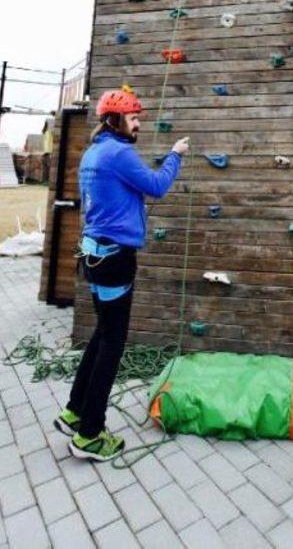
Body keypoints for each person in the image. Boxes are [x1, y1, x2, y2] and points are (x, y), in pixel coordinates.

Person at [54, 87, 189, 462]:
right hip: (114, 261)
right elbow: (158, 186)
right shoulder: (119, 153)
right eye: (134, 118)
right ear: (116, 120)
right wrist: (176, 156)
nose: (139, 124)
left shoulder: (94, 153)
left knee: (101, 334)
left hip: (93, 256)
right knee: (112, 344)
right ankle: (90, 435)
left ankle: (74, 411)